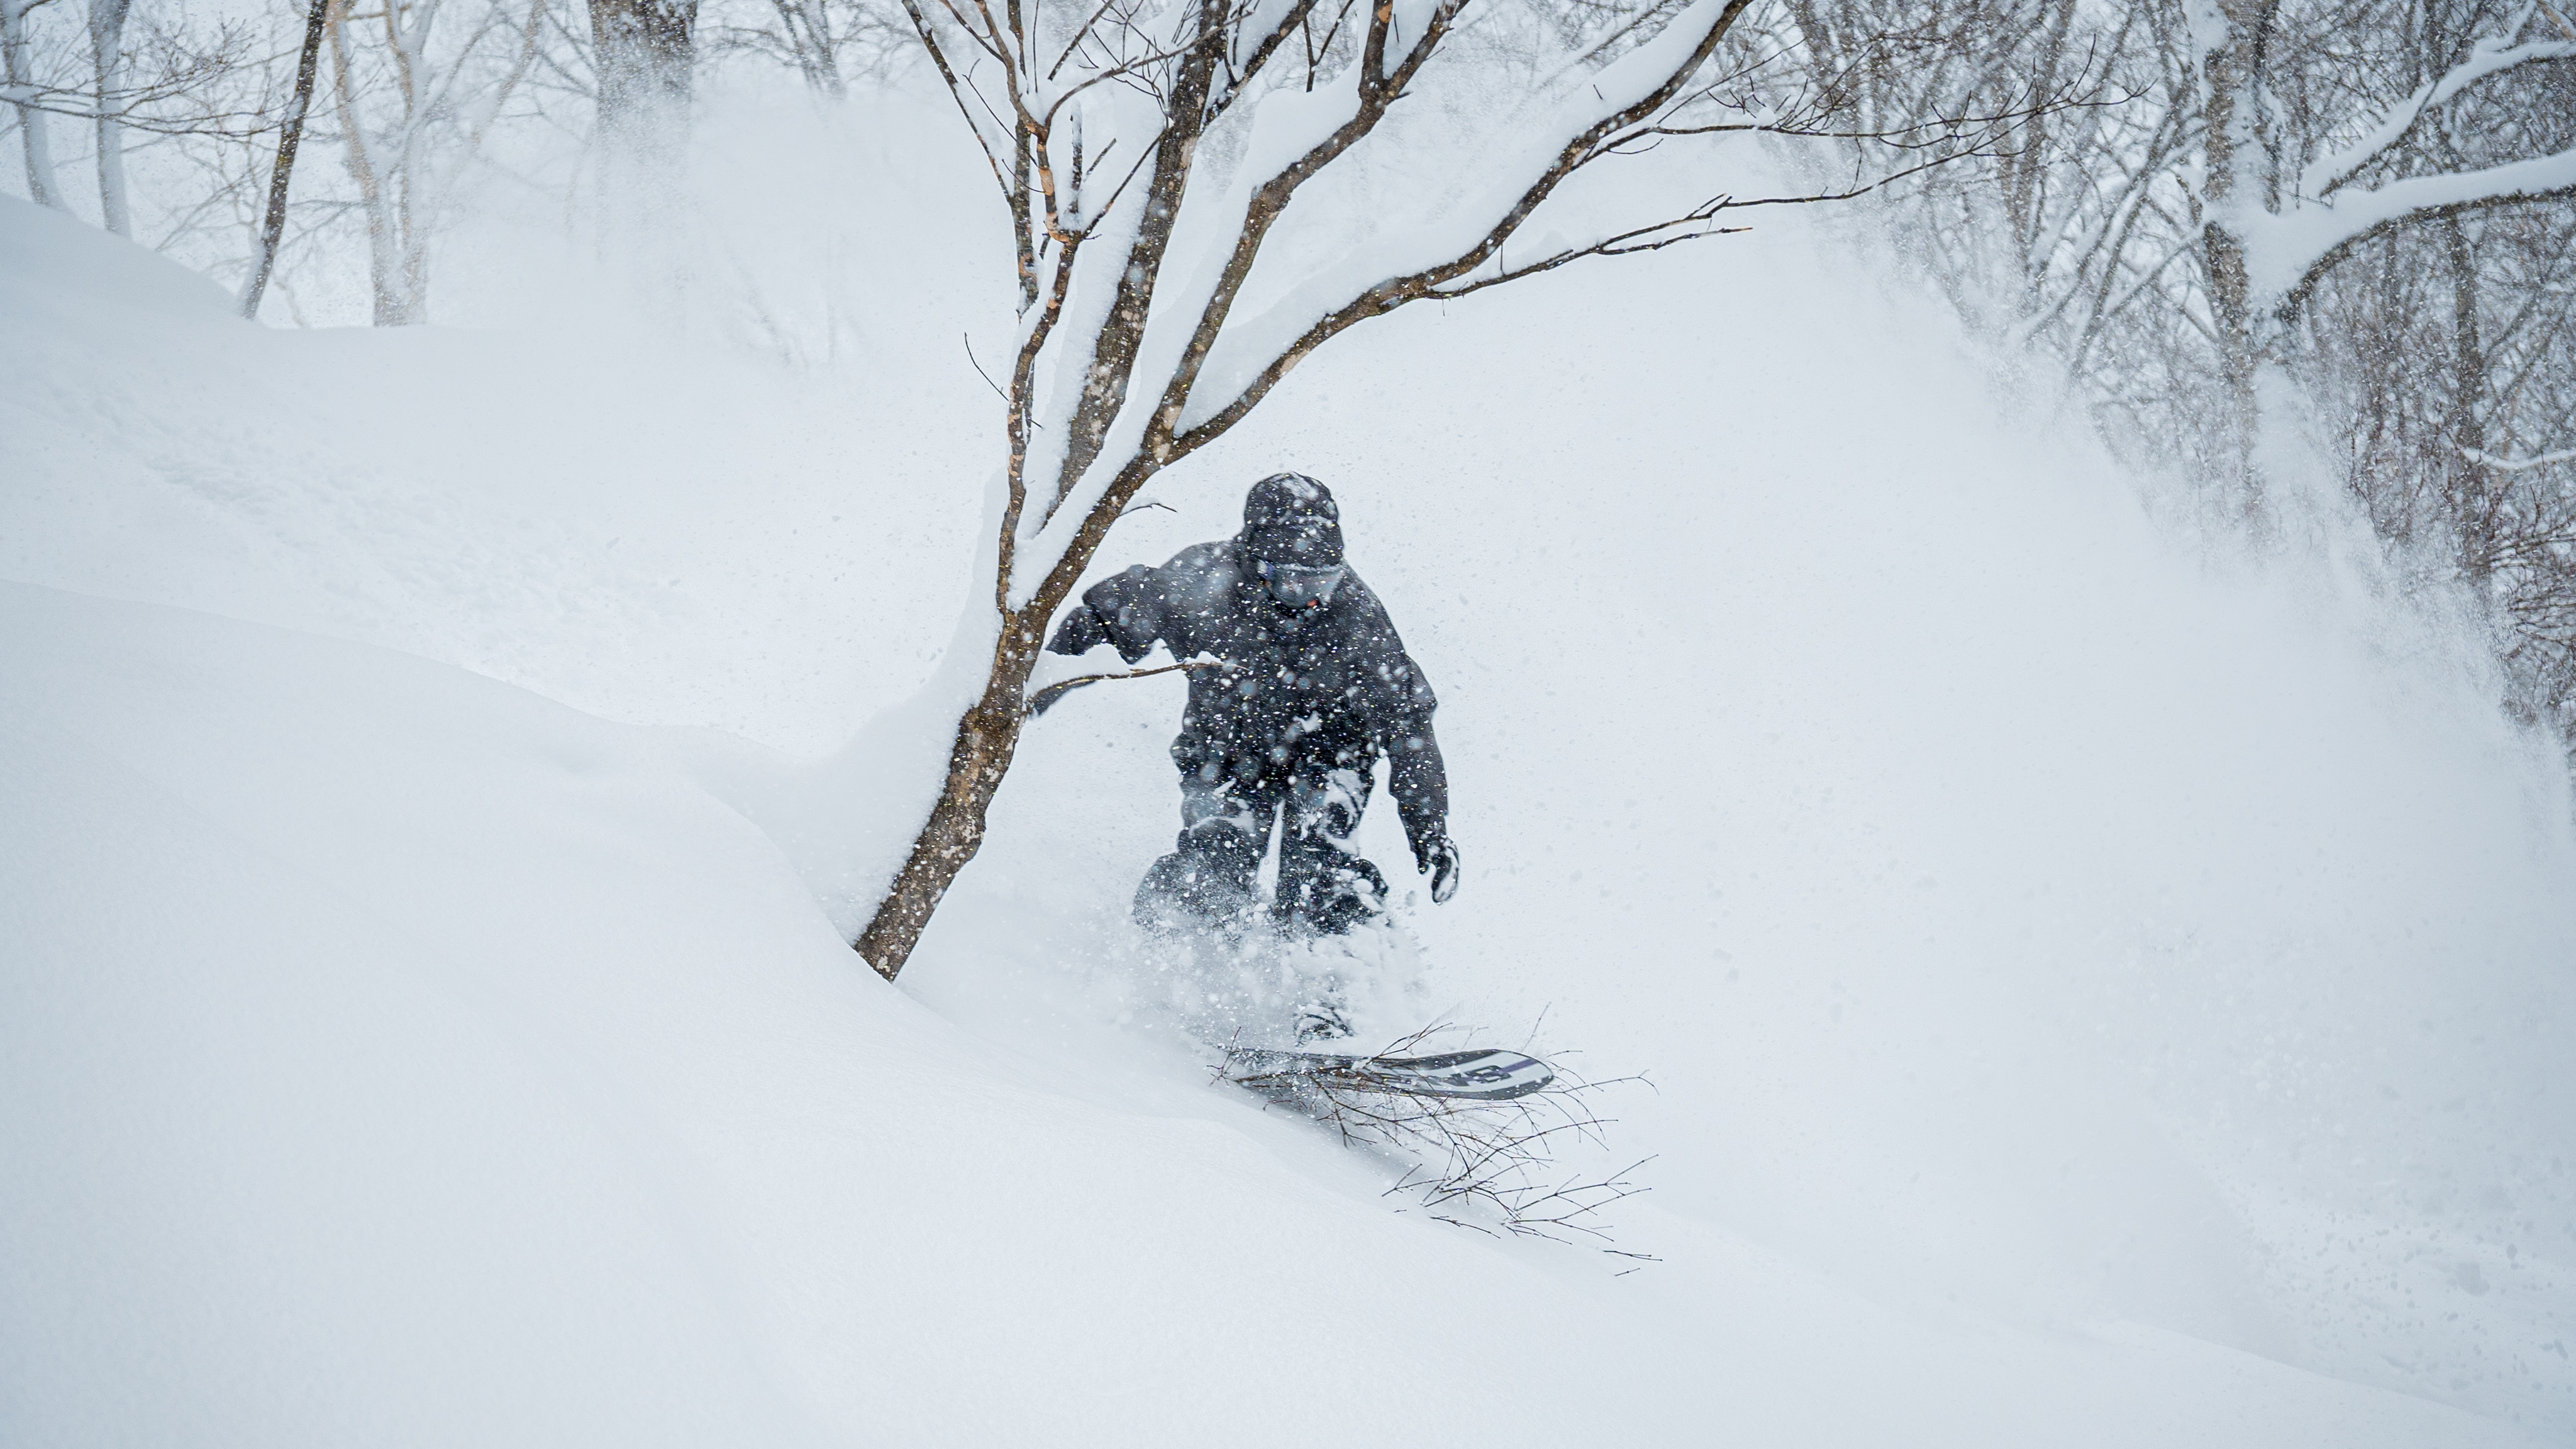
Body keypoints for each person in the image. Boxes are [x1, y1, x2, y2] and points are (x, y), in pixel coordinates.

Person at [1045, 472, 1462, 939]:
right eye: (1292, 583)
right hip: (1226, 752)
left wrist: (1429, 831)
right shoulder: (1199, 583)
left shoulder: (1356, 619)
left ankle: (1333, 966)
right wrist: (1032, 689)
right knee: (1215, 860)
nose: (1309, 599)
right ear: (1255, 564)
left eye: (1323, 582)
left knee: (1320, 864)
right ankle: (1178, 949)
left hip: (1332, 755)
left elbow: (1408, 726)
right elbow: (1105, 620)